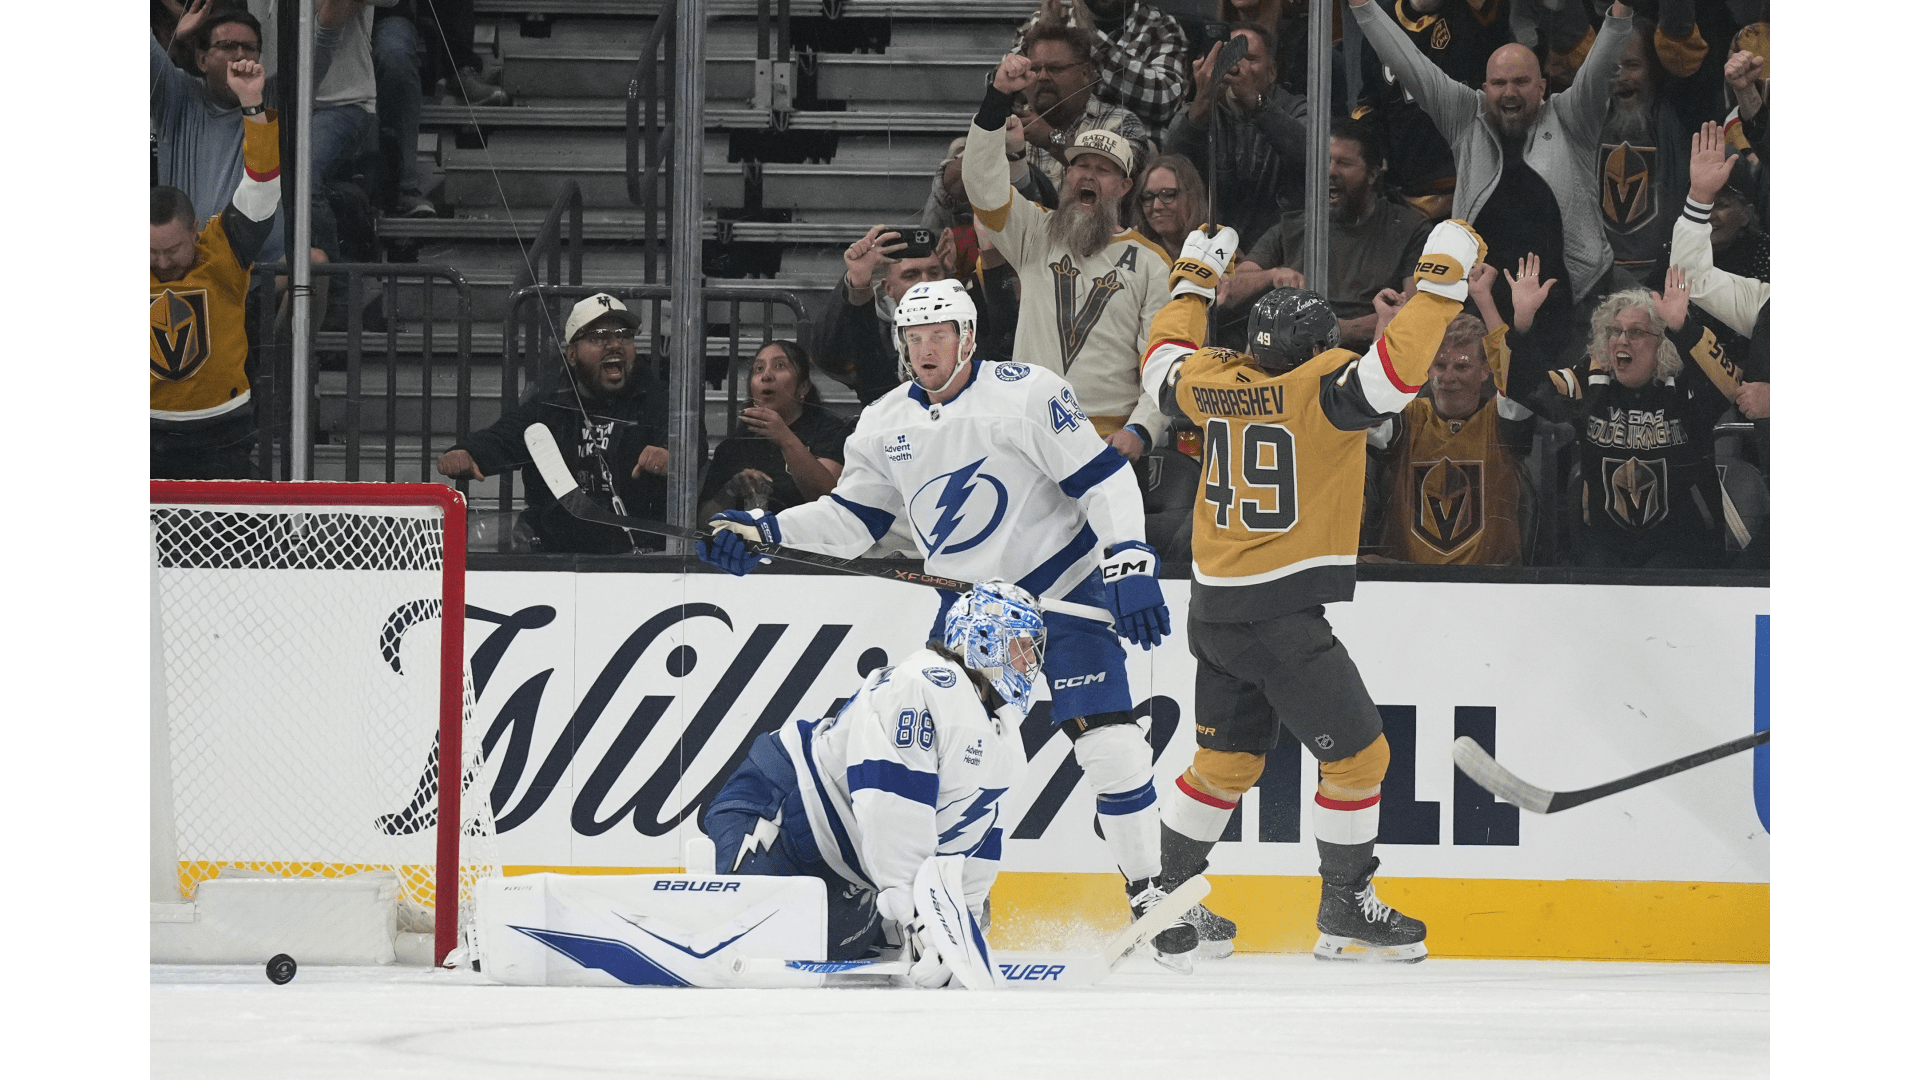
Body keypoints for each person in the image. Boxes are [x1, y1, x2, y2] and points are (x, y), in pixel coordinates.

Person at [697, 280, 1196, 969]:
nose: (925, 349)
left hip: (1063, 588)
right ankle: (951, 899)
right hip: (968, 610)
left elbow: (1102, 477)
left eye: (939, 335)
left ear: (968, 338)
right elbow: (853, 521)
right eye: (914, 337)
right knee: (958, 757)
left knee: (1111, 743)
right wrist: (770, 531)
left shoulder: (1027, 393)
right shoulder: (883, 421)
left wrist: (1129, 558)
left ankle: (1148, 891)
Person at [1140, 216, 1494, 962]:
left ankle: (1166, 902)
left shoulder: (1212, 382)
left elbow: (1161, 359)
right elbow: (1396, 373)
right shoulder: (1323, 390)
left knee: (1225, 765)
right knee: (1361, 759)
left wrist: (1194, 280)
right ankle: (1344, 906)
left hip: (1214, 609)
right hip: (1277, 614)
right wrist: (1441, 278)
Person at [703, 581, 1041, 982]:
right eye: (1021, 646)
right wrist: (921, 918)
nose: (1030, 662)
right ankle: (705, 906)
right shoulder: (923, 683)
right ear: (984, 638)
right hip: (778, 808)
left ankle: (878, 924)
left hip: (847, 868)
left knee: (830, 957)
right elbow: (888, 803)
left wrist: (959, 928)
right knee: (758, 956)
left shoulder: (1005, 740)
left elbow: (976, 843)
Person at [1348, 0, 1635, 372]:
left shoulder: (1571, 118)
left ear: (1542, 86)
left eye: (1521, 82)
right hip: (1485, 310)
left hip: (1575, 306)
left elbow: (1600, 68)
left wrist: (1620, 14)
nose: (1509, 92)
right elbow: (1410, 65)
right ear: (1485, 88)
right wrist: (1363, 7)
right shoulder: (1467, 116)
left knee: (1569, 403)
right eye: (1499, 83)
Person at [965, 53, 1177, 462]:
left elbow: (1163, 359)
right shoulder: (1033, 231)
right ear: (1067, 175)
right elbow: (981, 182)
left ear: (1124, 187)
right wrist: (998, 97)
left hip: (1108, 440)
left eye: (1103, 169)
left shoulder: (1152, 263)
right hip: (1029, 432)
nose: (1088, 174)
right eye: (1080, 165)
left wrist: (1141, 429)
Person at [435, 293, 697, 554]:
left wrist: (671, 453)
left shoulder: (656, 397)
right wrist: (468, 452)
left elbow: (688, 437)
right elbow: (505, 436)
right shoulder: (550, 404)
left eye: (624, 336)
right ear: (572, 354)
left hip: (639, 557)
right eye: (599, 337)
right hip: (558, 553)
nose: (615, 344)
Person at [1533, 269, 1749, 568]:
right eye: (1615, 331)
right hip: (1605, 548)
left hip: (1686, 548)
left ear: (1662, 342)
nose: (1622, 340)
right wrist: (1519, 327)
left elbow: (1730, 385)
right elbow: (1528, 390)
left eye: (1635, 332)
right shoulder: (1593, 379)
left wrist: (1682, 328)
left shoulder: (1684, 382)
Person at [1365, 258, 1548, 565]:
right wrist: (1386, 323)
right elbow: (1369, 407)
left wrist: (1483, 298)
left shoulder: (1500, 418)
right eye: (1440, 365)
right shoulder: (1409, 417)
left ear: (1485, 371)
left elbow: (1514, 379)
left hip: (1490, 582)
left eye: (1462, 366)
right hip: (1410, 580)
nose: (1447, 377)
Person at [151, 57, 278, 480]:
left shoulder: (223, 247)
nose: (163, 262)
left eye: (173, 249)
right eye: (151, 252)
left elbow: (261, 191)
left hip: (223, 433)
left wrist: (253, 105)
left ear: (195, 229)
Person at [1222, 117, 1436, 350]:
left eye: (1344, 163)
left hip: (1370, 356)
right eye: (1325, 161)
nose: (1331, 171)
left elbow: (1418, 310)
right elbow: (1229, 291)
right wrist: (1272, 275)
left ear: (1372, 174)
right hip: (1294, 357)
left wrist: (1341, 331)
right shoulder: (1292, 227)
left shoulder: (1410, 229)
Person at [1165, 23, 1309, 249]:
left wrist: (1255, 102)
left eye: (1250, 59)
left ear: (1272, 71)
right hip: (1210, 247)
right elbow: (1170, 163)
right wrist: (1202, 99)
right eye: (1229, 57)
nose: (1237, 65)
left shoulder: (1296, 108)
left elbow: (1312, 157)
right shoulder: (1203, 111)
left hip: (1279, 249)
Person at [698, 341, 854, 518]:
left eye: (780, 365)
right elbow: (703, 521)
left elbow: (828, 498)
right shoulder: (733, 447)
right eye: (759, 369)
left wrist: (785, 438)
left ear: (803, 387)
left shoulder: (829, 430)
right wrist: (731, 490)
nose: (766, 376)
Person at [816, 226, 966, 406]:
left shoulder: (965, 321)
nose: (925, 282)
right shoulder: (870, 326)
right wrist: (857, 280)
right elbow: (829, 360)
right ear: (888, 288)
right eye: (911, 275)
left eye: (934, 273)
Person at [1012, 0, 1191, 140]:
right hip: (1046, 148)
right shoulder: (1050, 16)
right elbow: (1008, 89)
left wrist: (1091, 38)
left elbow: (1165, 101)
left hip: (1127, 154)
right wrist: (1041, 34)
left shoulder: (1161, 27)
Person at [1009, 20, 1150, 195]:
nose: (1042, 76)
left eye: (1055, 68)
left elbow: (1122, 177)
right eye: (1035, 69)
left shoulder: (1121, 123)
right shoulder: (1010, 125)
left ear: (1085, 74)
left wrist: (1052, 138)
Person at [1131, 153, 1208, 260]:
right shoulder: (1136, 252)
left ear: (1193, 197)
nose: (1156, 206)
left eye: (1168, 194)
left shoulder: (1221, 249)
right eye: (1147, 197)